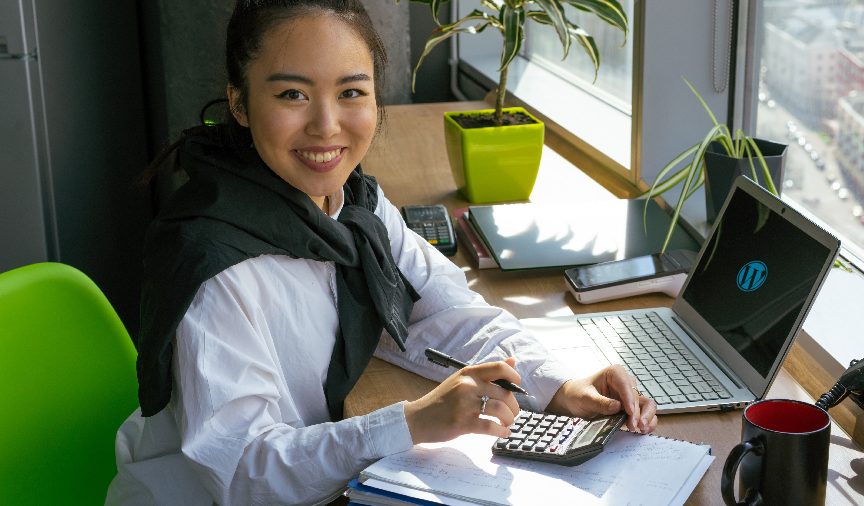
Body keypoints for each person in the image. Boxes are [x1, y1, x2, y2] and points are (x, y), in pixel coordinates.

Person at [105, 0, 658, 505]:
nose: (326, 125)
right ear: (239, 102)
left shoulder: (355, 208)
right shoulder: (215, 262)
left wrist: (558, 383)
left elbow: (444, 312)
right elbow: (245, 473)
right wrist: (411, 421)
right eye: (292, 94)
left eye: (351, 92)